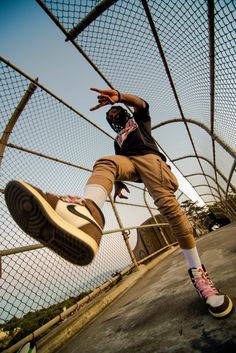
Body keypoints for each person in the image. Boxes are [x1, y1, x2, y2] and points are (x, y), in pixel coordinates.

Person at [4, 88, 233, 318]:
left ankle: (198, 273)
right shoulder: (118, 141)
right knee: (105, 163)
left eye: (116, 112)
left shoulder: (139, 122)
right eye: (110, 116)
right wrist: (118, 184)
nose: (114, 116)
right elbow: (120, 164)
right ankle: (89, 213)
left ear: (124, 114)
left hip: (151, 161)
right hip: (131, 164)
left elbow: (142, 103)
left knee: (169, 210)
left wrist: (120, 97)